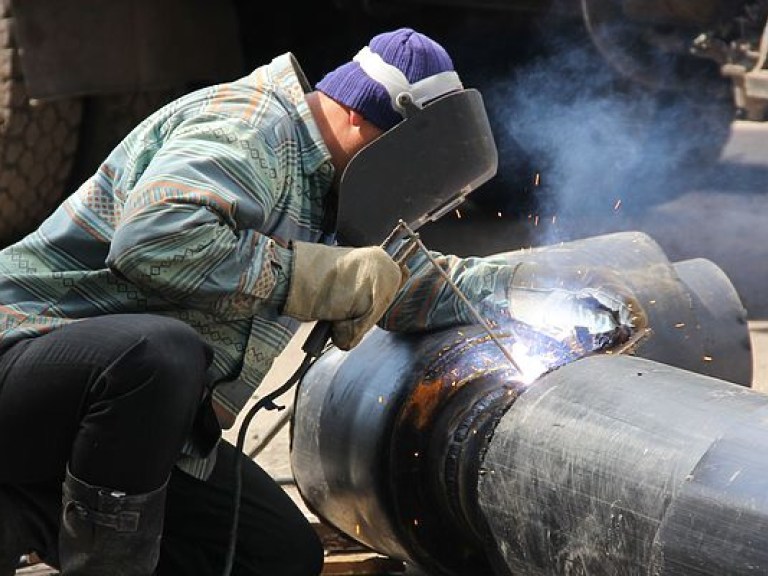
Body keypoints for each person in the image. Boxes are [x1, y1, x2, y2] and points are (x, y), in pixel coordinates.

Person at [0, 26, 633, 576]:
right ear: (358, 115)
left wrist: (535, 296)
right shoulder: (252, 131)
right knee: (159, 353)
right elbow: (152, 239)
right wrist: (315, 275)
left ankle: (23, 506)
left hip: (109, 428)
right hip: (23, 360)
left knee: (273, 555)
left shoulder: (339, 188)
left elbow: (409, 283)